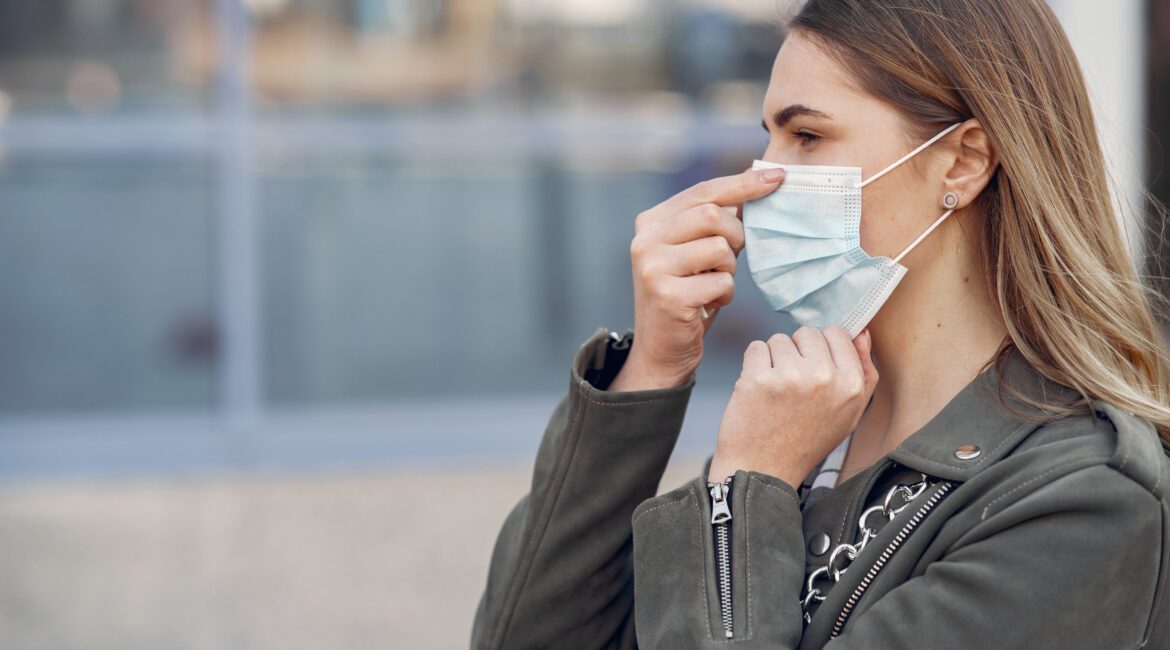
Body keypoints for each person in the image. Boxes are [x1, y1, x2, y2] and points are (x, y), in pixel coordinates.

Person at [471, 0, 1170, 647]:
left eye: (807, 135)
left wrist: (742, 492)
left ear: (963, 161)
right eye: (769, 138)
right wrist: (651, 370)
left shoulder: (1085, 502)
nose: (764, 178)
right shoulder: (808, 425)